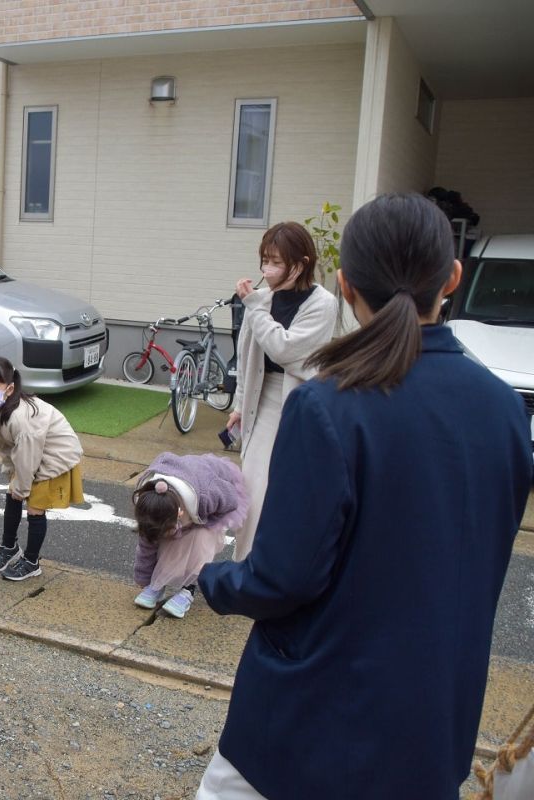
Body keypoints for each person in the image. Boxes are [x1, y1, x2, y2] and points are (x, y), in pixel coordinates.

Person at [196, 194, 532, 800]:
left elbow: (281, 581)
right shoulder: (506, 411)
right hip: (434, 726)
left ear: (347, 286)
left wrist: (213, 577)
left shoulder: (327, 408)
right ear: (453, 278)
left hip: (312, 723)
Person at [226, 221, 337, 559]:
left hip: (297, 403)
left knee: (289, 494)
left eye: (276, 262)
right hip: (260, 399)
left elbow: (285, 350)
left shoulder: (322, 304)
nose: (267, 270)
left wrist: (255, 308)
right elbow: (246, 355)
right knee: (252, 491)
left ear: (300, 264)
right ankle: (245, 568)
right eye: (265, 260)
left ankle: (277, 568)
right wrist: (239, 404)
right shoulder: (262, 300)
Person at [0, 357, 84, 581]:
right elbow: (4, 446)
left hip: (55, 456)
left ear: (9, 388)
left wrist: (23, 487)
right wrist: (11, 474)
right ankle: (9, 547)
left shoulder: (21, 418)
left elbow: (28, 456)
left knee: (34, 506)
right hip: (32, 452)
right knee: (12, 492)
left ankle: (32, 562)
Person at [130, 453, 247, 619]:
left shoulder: (208, 495)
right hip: (185, 492)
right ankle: (157, 585)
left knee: (200, 539)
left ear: (179, 513)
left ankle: (189, 589)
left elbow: (231, 501)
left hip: (218, 492)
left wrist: (202, 521)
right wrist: (144, 579)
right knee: (166, 538)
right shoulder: (149, 503)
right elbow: (147, 543)